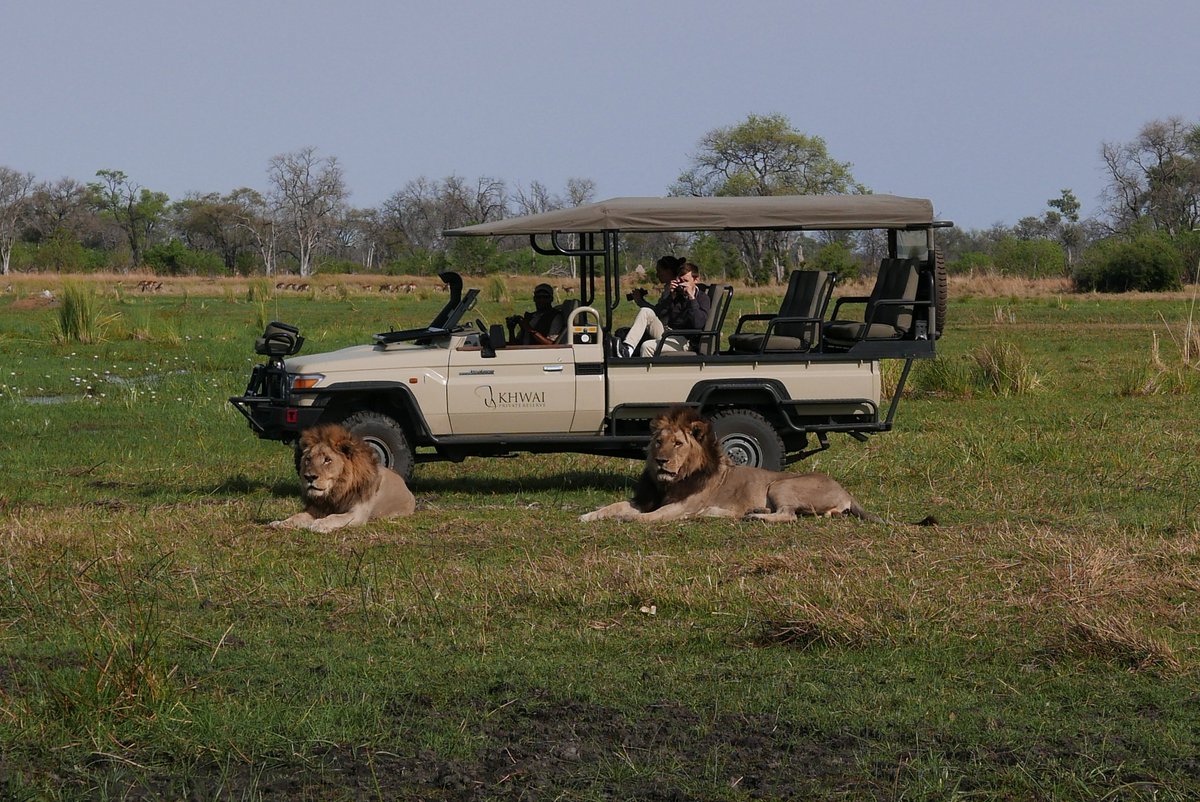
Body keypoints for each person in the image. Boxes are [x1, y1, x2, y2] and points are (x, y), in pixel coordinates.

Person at [620, 257, 710, 357]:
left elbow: (698, 324)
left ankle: (648, 371)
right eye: (680, 280)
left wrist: (691, 298)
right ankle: (628, 348)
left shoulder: (702, 298)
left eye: (686, 281)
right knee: (645, 311)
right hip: (669, 332)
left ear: (696, 280)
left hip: (685, 339)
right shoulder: (677, 295)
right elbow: (660, 314)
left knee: (647, 346)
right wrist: (671, 297)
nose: (682, 284)